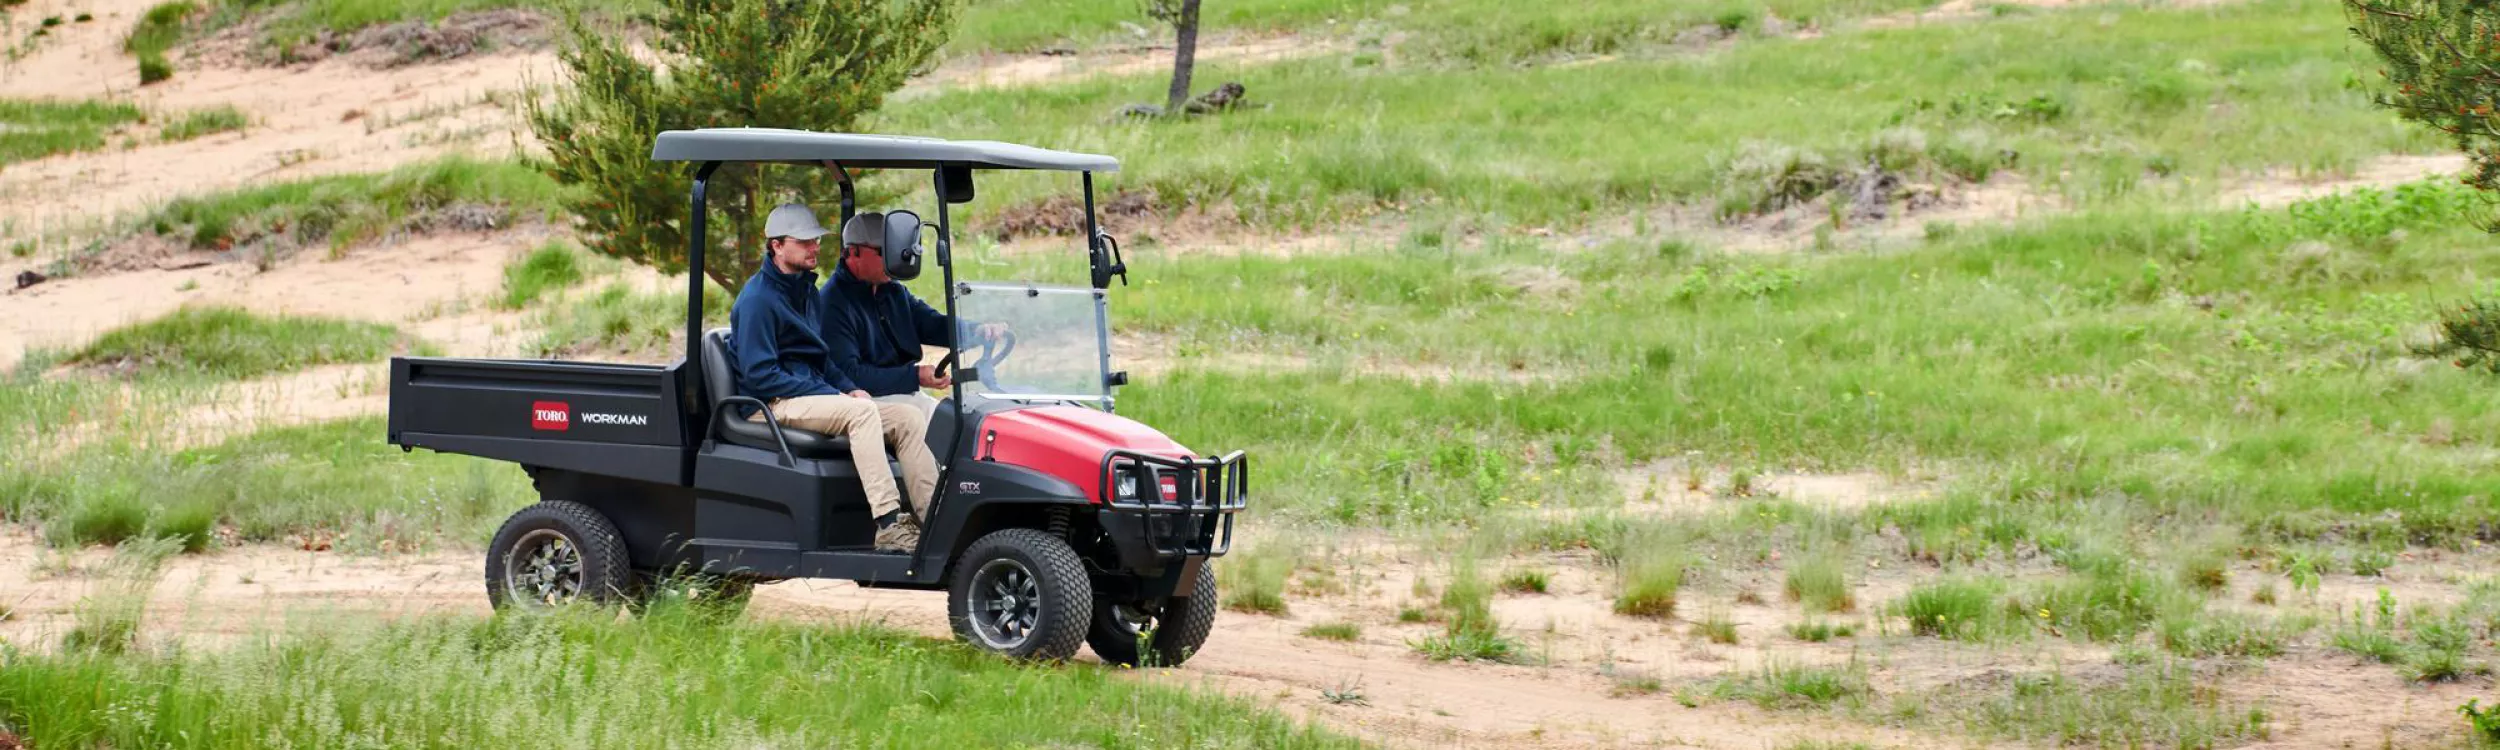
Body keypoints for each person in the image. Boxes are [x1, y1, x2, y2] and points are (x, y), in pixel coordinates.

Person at [727, 203, 938, 553]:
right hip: (770, 403)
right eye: (805, 241)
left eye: (816, 241)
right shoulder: (758, 301)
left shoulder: (805, 291)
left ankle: (932, 520)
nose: (815, 248)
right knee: (861, 413)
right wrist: (833, 394)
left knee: (908, 417)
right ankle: (888, 525)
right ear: (777, 246)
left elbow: (822, 358)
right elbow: (761, 375)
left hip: (803, 395)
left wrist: (851, 387)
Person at [819, 211, 1006, 419]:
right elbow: (850, 375)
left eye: (894, 250)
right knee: (944, 426)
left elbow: (931, 324)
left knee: (963, 418)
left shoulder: (892, 291)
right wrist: (915, 376)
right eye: (884, 251)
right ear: (854, 252)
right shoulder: (833, 303)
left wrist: (976, 330)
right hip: (864, 400)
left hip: (903, 394)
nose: (893, 258)